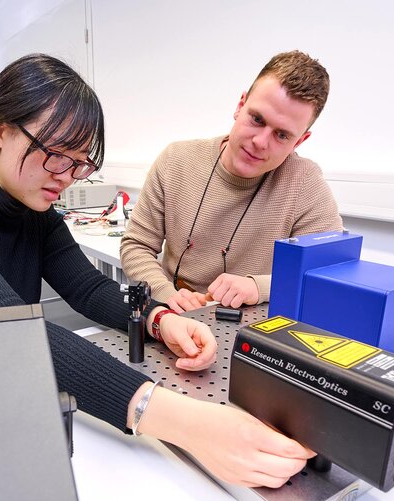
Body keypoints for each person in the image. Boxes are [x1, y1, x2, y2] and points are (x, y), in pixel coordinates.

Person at [0, 53, 312, 488]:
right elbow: (18, 333)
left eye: (80, 164)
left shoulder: (29, 205)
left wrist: (158, 319)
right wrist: (191, 424)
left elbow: (88, 287)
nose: (67, 177)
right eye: (56, 156)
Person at [120, 50, 343, 313]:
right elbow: (136, 245)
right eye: (257, 119)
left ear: (299, 141)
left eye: (282, 135)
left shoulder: (305, 183)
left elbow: (328, 272)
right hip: (174, 315)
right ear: (240, 106)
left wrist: (258, 288)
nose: (260, 142)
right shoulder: (176, 161)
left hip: (251, 326)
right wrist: (165, 294)